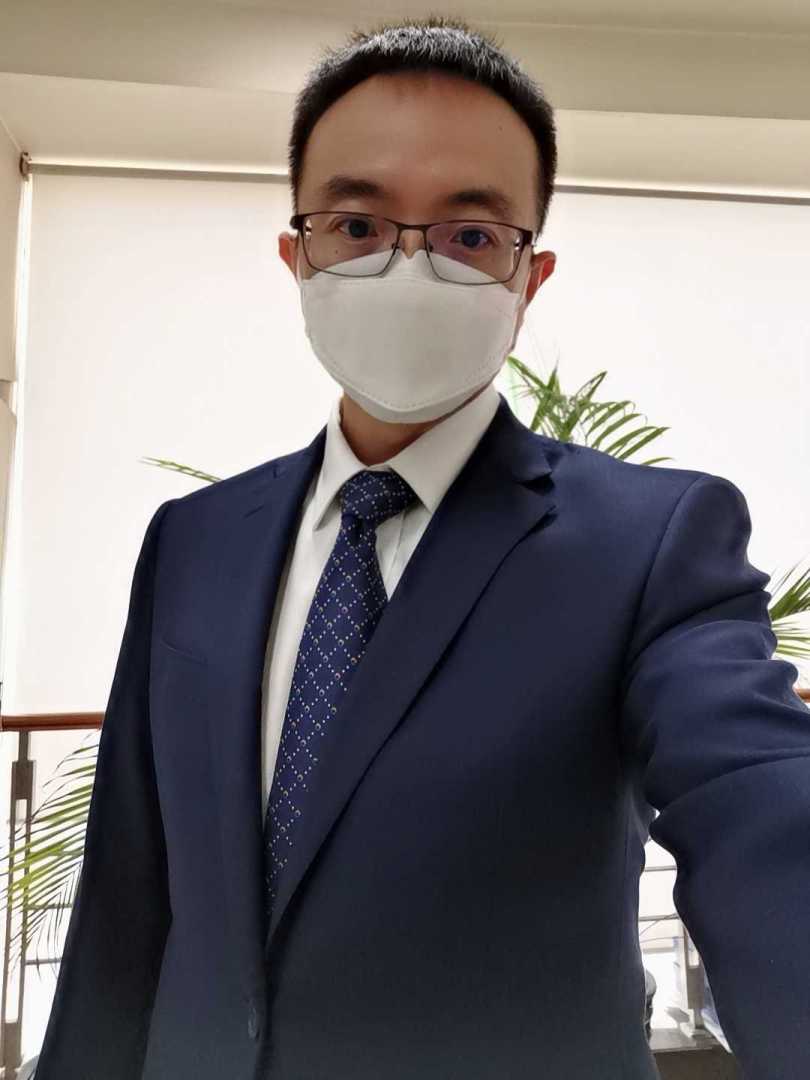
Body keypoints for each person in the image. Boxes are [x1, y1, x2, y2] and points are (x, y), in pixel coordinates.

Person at [33, 16, 810, 1080]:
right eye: (356, 224)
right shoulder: (193, 541)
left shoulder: (653, 542)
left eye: (470, 235)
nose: (407, 267)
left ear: (529, 280)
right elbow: (128, 898)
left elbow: (758, 801)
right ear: (296, 256)